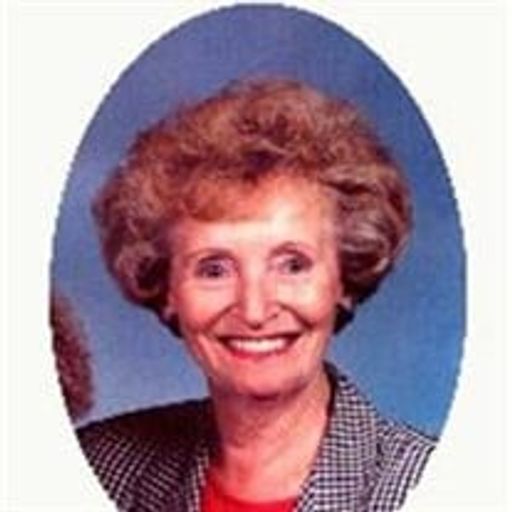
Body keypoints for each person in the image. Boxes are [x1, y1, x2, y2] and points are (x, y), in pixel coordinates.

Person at [77, 79, 436, 511]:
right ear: (167, 288)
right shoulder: (97, 467)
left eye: (292, 265)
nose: (254, 310)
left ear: (343, 278)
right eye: (214, 269)